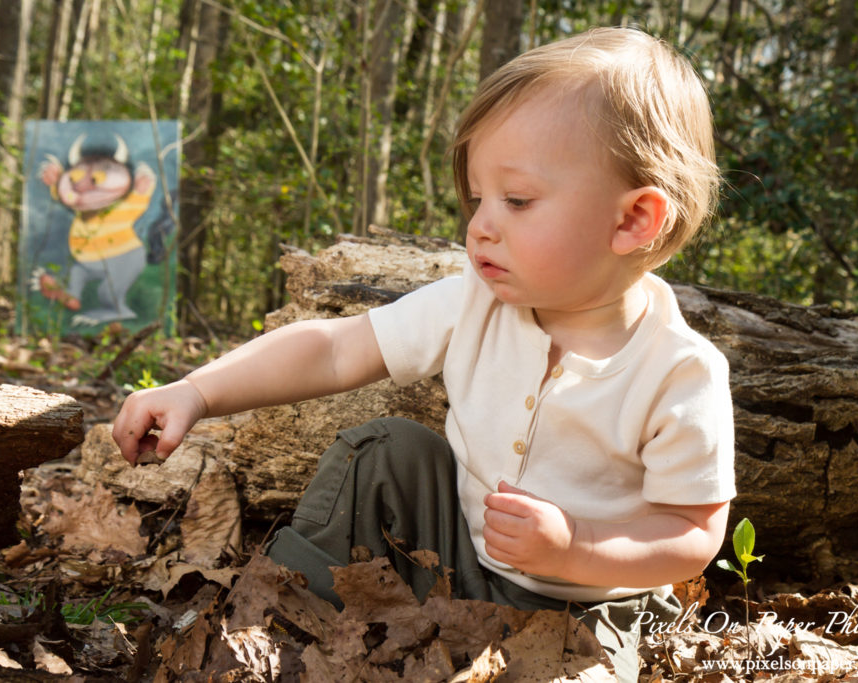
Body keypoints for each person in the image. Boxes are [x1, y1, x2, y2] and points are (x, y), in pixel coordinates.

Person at [113, 26, 735, 681]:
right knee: (385, 451)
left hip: (589, 614)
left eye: (516, 200)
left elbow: (692, 532)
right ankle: (290, 625)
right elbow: (334, 349)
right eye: (478, 198)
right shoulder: (477, 300)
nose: (480, 225)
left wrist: (576, 548)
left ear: (633, 219)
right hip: (459, 554)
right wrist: (198, 390)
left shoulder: (679, 370)